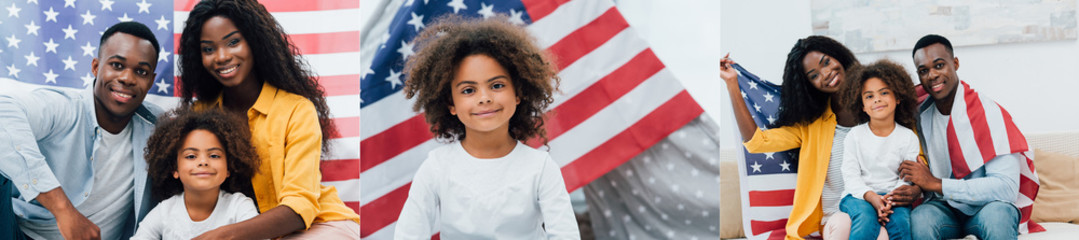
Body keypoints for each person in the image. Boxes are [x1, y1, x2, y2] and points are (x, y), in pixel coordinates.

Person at [177, 0, 359, 238]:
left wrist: (224, 236)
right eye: (208, 49)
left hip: (319, 225)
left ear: (255, 41)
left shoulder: (297, 110)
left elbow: (299, 206)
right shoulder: (200, 115)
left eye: (233, 42)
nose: (221, 56)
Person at [393, 15, 580, 239]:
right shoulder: (437, 168)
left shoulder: (540, 168)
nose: (484, 98)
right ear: (451, 104)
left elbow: (565, 234)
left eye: (497, 85)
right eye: (468, 90)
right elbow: (408, 234)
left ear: (518, 93)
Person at [721, 36, 907, 240]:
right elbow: (757, 143)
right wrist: (732, 83)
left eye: (826, 62)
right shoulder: (810, 126)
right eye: (814, 75)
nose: (826, 73)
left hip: (883, 212)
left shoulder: (881, 106)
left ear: (839, 57)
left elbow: (914, 158)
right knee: (848, 227)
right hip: (837, 217)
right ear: (810, 85)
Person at [0, 22, 162, 240]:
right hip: (20, 232)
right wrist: (63, 210)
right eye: (116, 65)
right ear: (96, 67)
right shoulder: (65, 108)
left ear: (151, 81)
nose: (127, 78)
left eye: (141, 71)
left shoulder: (158, 128)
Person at [902, 34, 1040, 240]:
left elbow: (1007, 188)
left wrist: (938, 184)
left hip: (987, 209)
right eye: (924, 71)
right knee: (920, 218)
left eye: (939, 65)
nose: (932, 75)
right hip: (943, 209)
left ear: (955, 63)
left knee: (999, 216)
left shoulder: (989, 114)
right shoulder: (919, 115)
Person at [131, 108, 260, 239]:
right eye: (191, 156)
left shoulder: (239, 206)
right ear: (175, 169)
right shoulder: (164, 212)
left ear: (229, 167)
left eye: (214, 156)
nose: (203, 162)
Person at [837, 60, 921, 240]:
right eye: (869, 96)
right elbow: (850, 176)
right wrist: (871, 197)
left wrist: (889, 201)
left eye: (884, 93)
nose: (877, 99)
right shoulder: (855, 135)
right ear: (862, 106)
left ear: (897, 98)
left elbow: (907, 178)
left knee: (902, 224)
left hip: (894, 198)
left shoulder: (908, 138)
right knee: (866, 218)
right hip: (857, 196)